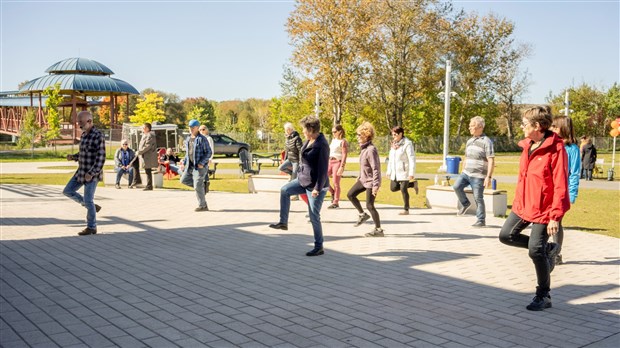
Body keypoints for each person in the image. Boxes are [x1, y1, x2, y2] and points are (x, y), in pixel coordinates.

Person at [499, 106, 570, 311]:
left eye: (525, 123)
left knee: (534, 251)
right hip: (523, 204)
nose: (521, 126)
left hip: (544, 209)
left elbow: (560, 185)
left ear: (537, 126)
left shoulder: (556, 149)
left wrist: (555, 216)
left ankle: (543, 295)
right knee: (506, 235)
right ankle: (549, 249)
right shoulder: (527, 145)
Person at [269, 116, 330, 256]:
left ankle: (319, 246)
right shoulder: (309, 140)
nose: (302, 131)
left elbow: (323, 170)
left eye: (304, 128)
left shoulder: (322, 145)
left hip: (315, 185)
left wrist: (317, 189)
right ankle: (283, 222)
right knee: (284, 190)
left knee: (314, 216)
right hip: (303, 180)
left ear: (311, 129)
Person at [63, 111, 105, 236]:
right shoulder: (84, 135)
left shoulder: (98, 135)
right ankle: (90, 206)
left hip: (91, 174)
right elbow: (84, 153)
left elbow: (101, 158)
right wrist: (74, 157)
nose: (79, 124)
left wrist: (92, 173)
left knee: (88, 199)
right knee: (67, 191)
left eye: (81, 122)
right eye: (78, 122)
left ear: (90, 121)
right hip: (81, 172)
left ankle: (91, 227)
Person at [452, 116, 495, 227]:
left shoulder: (487, 142)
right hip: (466, 173)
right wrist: (462, 170)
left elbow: (491, 160)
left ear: (480, 127)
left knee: (478, 198)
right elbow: (466, 157)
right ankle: (465, 203)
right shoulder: (469, 141)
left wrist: (488, 177)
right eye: (470, 126)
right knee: (456, 187)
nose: (469, 128)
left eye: (472, 126)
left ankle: (481, 220)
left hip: (478, 176)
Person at [550, 115, 581, 265]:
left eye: (555, 127)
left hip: (562, 192)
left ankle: (556, 253)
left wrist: (572, 193)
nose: (551, 129)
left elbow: (574, 173)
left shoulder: (572, 149)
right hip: (548, 191)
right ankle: (546, 249)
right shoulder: (551, 144)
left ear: (563, 128)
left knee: (556, 222)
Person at [347, 122, 383, 237]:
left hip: (371, 181)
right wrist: (359, 175)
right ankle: (362, 215)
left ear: (366, 135)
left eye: (359, 135)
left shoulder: (371, 150)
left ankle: (378, 229)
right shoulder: (364, 148)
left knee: (370, 205)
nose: (357, 137)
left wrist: (376, 185)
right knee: (350, 195)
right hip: (363, 179)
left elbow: (376, 168)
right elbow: (364, 165)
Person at [180, 119, 212, 211]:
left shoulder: (202, 139)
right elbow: (188, 153)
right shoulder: (188, 138)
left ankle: (203, 205)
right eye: (190, 127)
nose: (191, 129)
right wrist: (184, 162)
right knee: (183, 180)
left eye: (193, 127)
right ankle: (202, 187)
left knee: (197, 185)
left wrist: (202, 163)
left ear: (197, 128)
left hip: (199, 167)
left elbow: (208, 152)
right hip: (190, 166)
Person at [386, 126, 416, 215]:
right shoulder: (393, 144)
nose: (393, 136)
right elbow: (391, 159)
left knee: (403, 189)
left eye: (395, 134)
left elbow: (412, 159)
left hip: (404, 170)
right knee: (393, 188)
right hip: (395, 171)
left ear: (401, 134)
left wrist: (411, 172)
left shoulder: (407, 144)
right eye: (392, 134)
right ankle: (413, 184)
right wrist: (389, 171)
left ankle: (406, 209)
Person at [279, 123, 303, 200]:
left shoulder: (297, 138)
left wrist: (300, 161)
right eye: (286, 130)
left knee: (294, 178)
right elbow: (287, 150)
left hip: (296, 160)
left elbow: (301, 151)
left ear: (291, 129)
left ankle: (295, 196)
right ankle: (292, 174)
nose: (286, 131)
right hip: (289, 159)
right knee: (281, 168)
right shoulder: (287, 138)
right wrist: (284, 159)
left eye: (288, 129)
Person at [327, 124, 349, 209]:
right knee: (322, 178)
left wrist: (342, 166)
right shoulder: (333, 140)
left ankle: (336, 202)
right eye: (332, 132)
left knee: (336, 182)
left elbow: (344, 154)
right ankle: (332, 192)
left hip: (337, 162)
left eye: (335, 132)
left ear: (339, 131)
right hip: (330, 161)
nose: (333, 133)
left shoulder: (343, 141)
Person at [133, 122, 157, 190]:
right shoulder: (144, 135)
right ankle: (141, 182)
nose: (142, 129)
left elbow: (147, 146)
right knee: (146, 170)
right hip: (144, 155)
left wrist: (139, 152)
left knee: (148, 170)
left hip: (148, 156)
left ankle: (149, 186)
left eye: (143, 127)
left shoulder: (150, 135)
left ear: (147, 128)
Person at [199, 125, 214, 193]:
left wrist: (210, 158)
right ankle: (204, 185)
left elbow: (211, 149)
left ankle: (206, 185)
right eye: (200, 130)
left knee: (204, 171)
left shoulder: (209, 138)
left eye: (203, 129)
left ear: (206, 130)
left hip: (206, 158)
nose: (202, 131)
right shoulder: (199, 138)